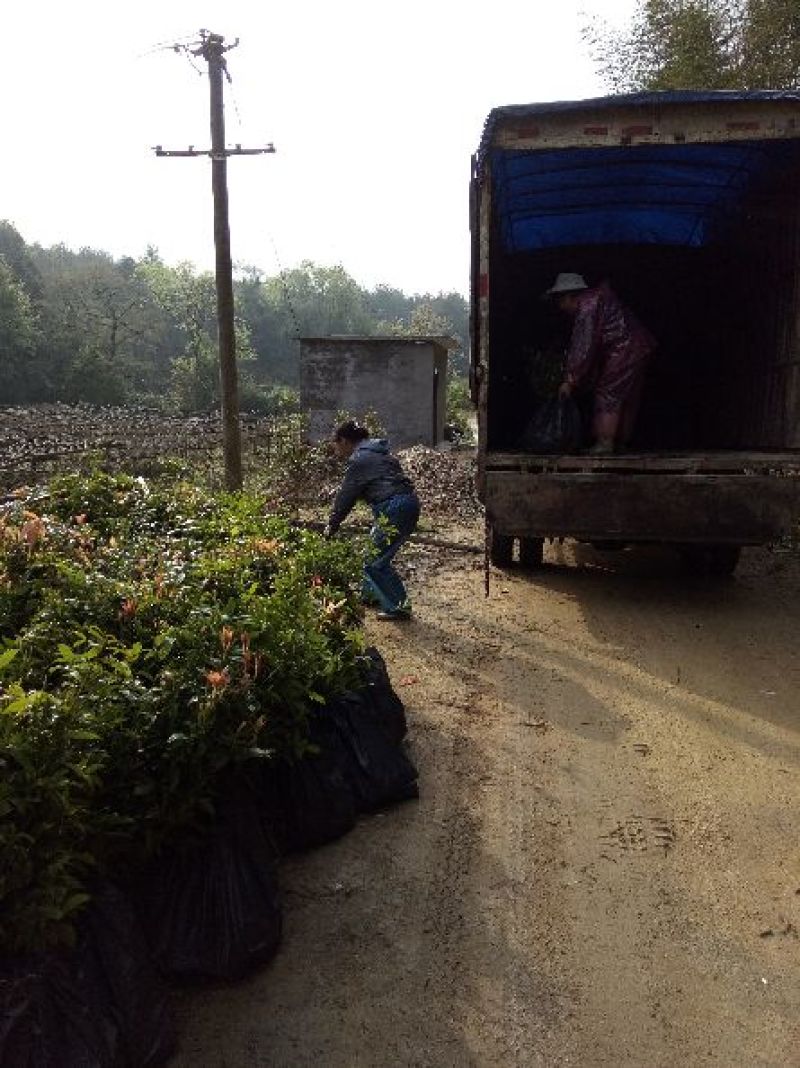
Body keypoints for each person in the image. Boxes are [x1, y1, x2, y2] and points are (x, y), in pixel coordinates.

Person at [545, 272, 656, 454]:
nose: (560, 307)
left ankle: (605, 442)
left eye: (559, 301)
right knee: (627, 396)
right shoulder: (597, 299)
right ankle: (620, 441)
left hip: (625, 348)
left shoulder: (587, 306)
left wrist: (570, 380)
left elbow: (583, 346)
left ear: (567, 296)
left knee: (608, 392)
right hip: (638, 347)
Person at [325, 421, 420, 621]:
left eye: (336, 445)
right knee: (372, 552)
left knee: (375, 562)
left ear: (343, 441)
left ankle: (399, 607)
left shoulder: (360, 459)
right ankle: (370, 596)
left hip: (394, 508)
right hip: (406, 504)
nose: (336, 451)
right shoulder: (379, 453)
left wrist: (332, 525)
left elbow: (346, 496)